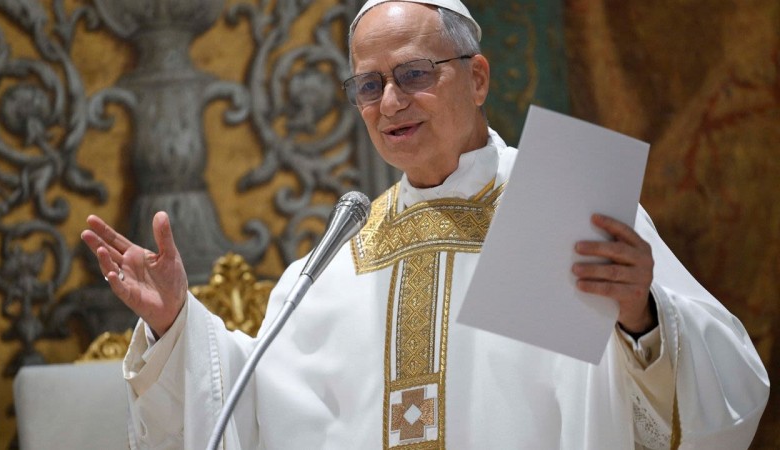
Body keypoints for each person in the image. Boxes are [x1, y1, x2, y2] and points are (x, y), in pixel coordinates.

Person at [81, 0, 769, 448]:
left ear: (476, 78)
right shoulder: (342, 254)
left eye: (413, 73)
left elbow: (730, 385)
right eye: (370, 85)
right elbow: (250, 412)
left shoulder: (565, 206)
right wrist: (176, 324)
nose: (390, 102)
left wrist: (641, 317)